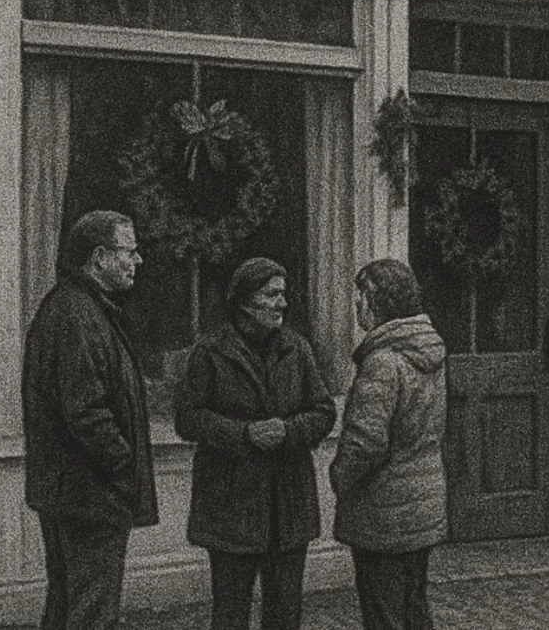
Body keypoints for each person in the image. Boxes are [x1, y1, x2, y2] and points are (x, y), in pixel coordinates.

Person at [175, 257, 336, 630]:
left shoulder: (297, 348)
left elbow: (324, 411)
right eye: (272, 295)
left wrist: (290, 430)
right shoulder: (210, 351)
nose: (282, 304)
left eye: (284, 295)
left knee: (285, 613)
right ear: (245, 302)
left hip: (288, 504)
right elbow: (188, 417)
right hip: (231, 503)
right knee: (230, 613)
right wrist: (243, 434)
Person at [23, 210, 159, 630]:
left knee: (67, 607)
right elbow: (86, 413)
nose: (137, 261)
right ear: (99, 257)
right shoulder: (78, 314)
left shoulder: (78, 308)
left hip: (75, 490)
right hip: (90, 493)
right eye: (129, 251)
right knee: (92, 612)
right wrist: (122, 465)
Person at [331, 259, 448, 630]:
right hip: (423, 503)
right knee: (414, 606)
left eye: (360, 298)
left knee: (383, 614)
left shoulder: (383, 362)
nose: (356, 307)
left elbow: (366, 443)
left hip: (384, 511)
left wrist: (339, 476)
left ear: (378, 302)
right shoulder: (430, 353)